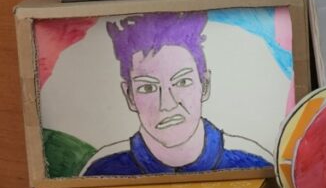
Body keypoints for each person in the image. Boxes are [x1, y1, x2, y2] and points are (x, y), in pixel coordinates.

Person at [82, 11, 272, 176]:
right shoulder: (101, 168)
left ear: (204, 85)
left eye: (182, 82)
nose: (167, 104)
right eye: (148, 88)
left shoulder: (255, 162)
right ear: (129, 96)